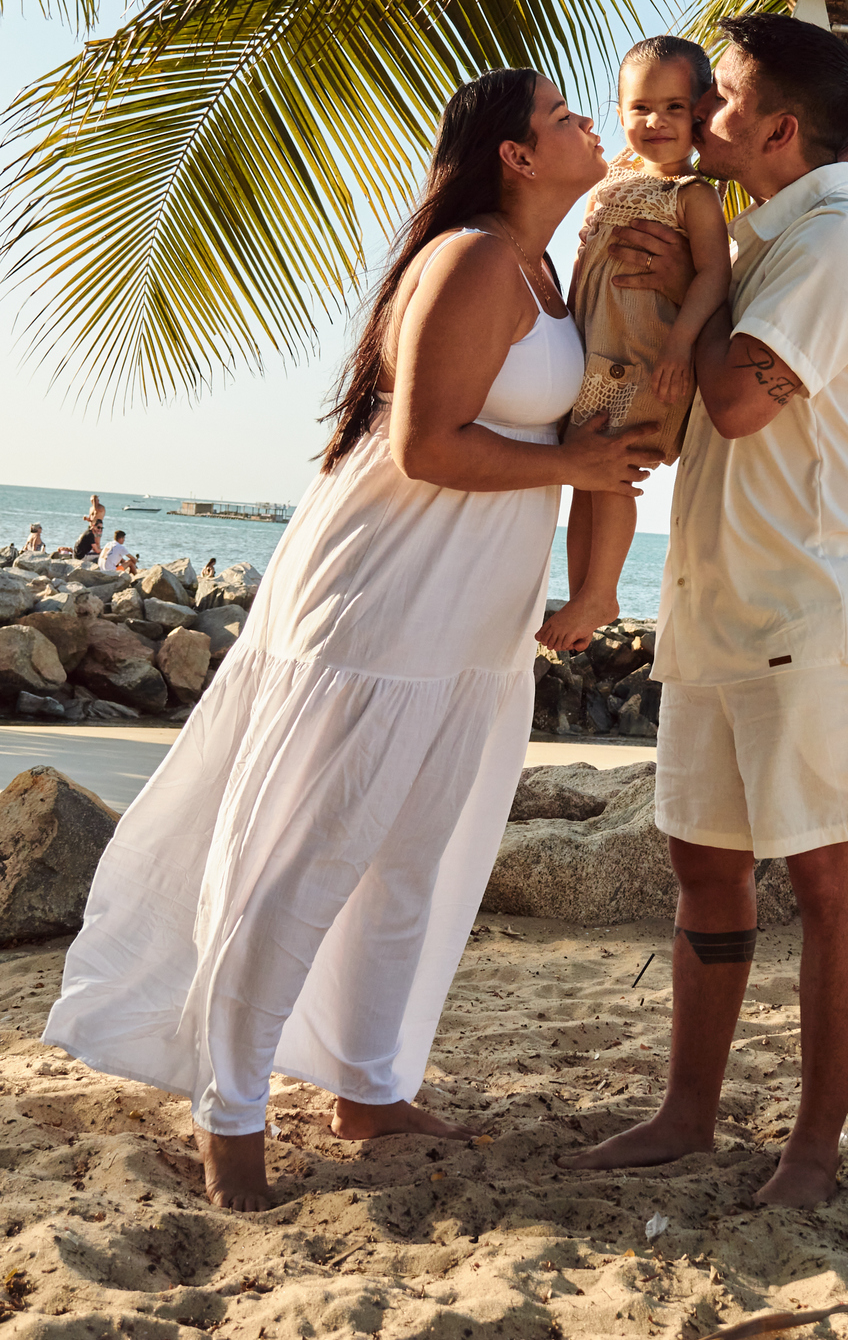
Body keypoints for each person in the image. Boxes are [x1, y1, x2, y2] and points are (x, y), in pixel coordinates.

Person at [44, 69, 661, 1214]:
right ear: (517, 156)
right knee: (305, 856)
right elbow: (427, 445)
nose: (592, 126)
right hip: (379, 602)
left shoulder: (547, 271)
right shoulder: (474, 257)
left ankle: (369, 1084)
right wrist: (573, 466)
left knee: (417, 859)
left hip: (467, 617)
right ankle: (231, 1113)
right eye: (569, 116)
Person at [564, 14, 848, 1211]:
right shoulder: (751, 234)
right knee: (702, 869)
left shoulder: (838, 244)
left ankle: (815, 1149)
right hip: (714, 601)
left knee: (826, 879)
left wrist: (693, 304)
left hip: (814, 606)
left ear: (776, 128)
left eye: (721, 101)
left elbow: (742, 399)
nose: (697, 115)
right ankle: (687, 1112)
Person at [537, 37, 731, 653]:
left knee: (612, 475)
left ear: (700, 115)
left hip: (645, 359)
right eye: (641, 107)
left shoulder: (693, 195)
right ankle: (580, 594)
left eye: (675, 109)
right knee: (582, 475)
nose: (657, 122)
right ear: (619, 112)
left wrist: (679, 347)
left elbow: (713, 276)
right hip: (595, 355)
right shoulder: (615, 173)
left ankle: (602, 592)